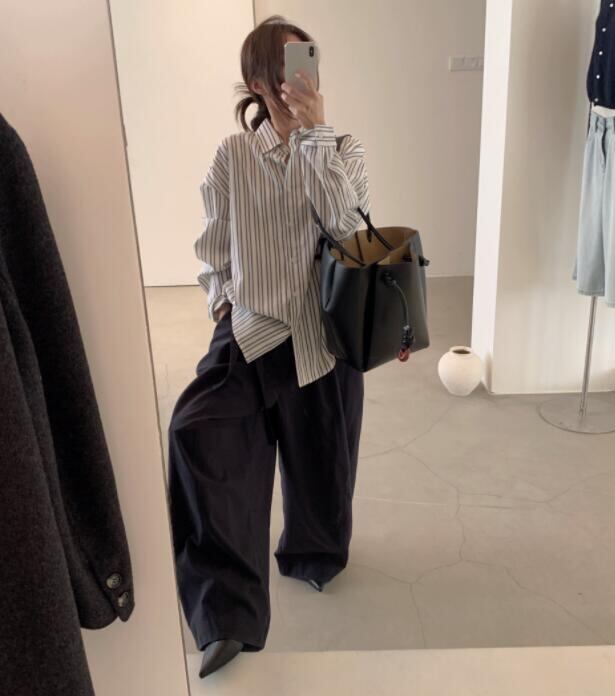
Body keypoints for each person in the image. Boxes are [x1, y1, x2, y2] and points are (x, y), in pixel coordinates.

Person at [167, 15, 369, 678]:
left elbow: (351, 234)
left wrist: (315, 140)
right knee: (199, 435)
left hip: (320, 333)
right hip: (251, 330)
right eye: (283, 66)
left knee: (322, 460)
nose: (297, 77)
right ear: (257, 81)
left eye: (304, 61)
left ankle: (314, 552)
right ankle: (224, 615)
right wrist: (221, 301)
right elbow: (211, 246)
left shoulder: (343, 148)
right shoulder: (232, 155)